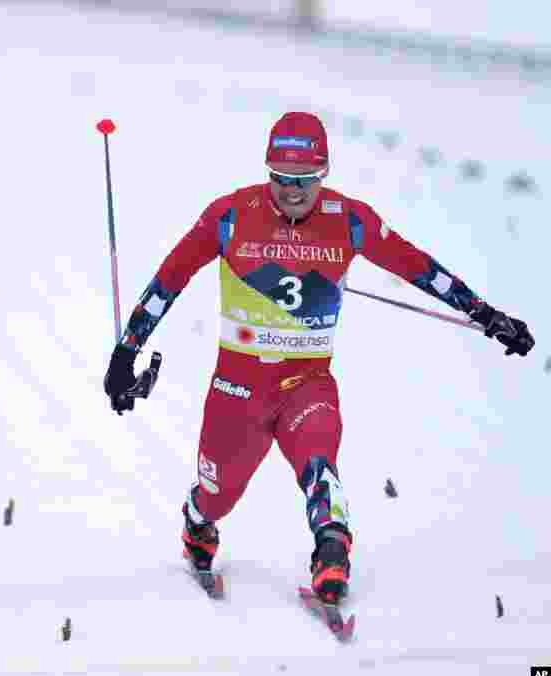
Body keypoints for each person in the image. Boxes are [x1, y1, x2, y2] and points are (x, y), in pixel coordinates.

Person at [103, 112, 534, 605]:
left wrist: (486, 314)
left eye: (305, 180)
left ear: (323, 173)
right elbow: (169, 280)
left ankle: (332, 552)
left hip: (307, 382)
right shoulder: (229, 215)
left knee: (319, 461)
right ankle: (198, 522)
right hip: (237, 389)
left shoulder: (349, 220)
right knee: (219, 494)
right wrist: (125, 353)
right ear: (268, 173)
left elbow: (419, 268)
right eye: (282, 178)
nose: (292, 191)